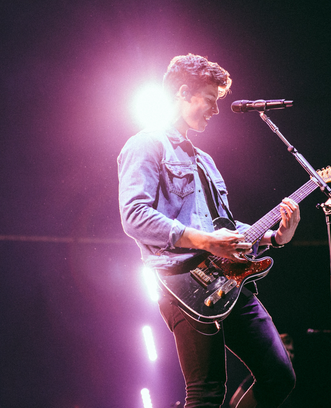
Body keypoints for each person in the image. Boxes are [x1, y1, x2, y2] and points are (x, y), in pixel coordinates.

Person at [118, 53, 300, 408]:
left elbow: (225, 228)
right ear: (184, 92)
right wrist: (203, 240)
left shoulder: (206, 161)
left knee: (279, 375)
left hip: (228, 281)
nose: (216, 111)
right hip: (182, 283)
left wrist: (275, 236)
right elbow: (135, 216)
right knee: (206, 393)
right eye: (210, 100)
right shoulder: (145, 145)